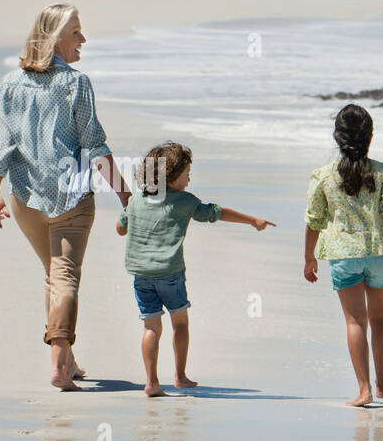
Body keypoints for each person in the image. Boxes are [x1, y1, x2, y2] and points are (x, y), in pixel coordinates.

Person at [0, 3, 135, 390]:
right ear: (55, 38)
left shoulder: (9, 83)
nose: (83, 39)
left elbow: (4, 141)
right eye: (77, 33)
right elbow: (95, 145)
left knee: (54, 276)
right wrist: (125, 195)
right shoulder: (75, 83)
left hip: (26, 199)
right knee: (65, 276)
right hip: (71, 197)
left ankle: (67, 359)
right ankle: (58, 366)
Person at [117, 141, 275, 397]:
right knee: (180, 324)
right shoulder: (185, 201)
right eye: (186, 174)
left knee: (151, 328)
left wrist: (131, 222)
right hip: (170, 274)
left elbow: (121, 227)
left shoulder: (136, 200)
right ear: (170, 177)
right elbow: (216, 212)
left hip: (141, 275)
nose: (190, 178)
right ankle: (179, 377)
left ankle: (151, 383)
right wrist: (252, 220)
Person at [304, 105, 383, 407]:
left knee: (356, 322)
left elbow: (314, 220)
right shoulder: (382, 172)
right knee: (380, 318)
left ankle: (364, 390)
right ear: (370, 136)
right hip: (379, 254)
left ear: (337, 138)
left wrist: (309, 258)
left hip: (344, 257)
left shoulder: (323, 176)